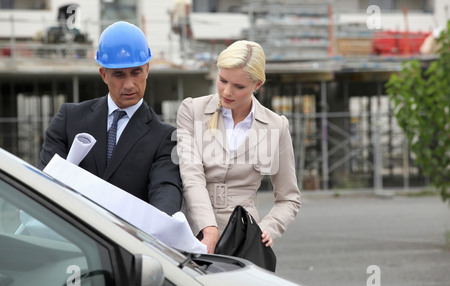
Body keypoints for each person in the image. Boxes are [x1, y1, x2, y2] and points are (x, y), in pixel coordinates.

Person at [38, 21, 182, 215]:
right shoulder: (69, 120)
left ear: (147, 69)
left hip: (127, 241)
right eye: (119, 75)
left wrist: (162, 226)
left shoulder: (164, 137)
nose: (129, 84)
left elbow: (166, 190)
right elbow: (44, 182)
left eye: (136, 72)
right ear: (103, 75)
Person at [176, 40, 301, 253]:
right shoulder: (192, 110)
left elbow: (289, 198)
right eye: (222, 80)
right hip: (194, 232)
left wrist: (267, 229)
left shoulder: (276, 126)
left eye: (239, 86)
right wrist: (208, 228)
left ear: (258, 85)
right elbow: (191, 175)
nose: (227, 91)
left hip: (244, 241)